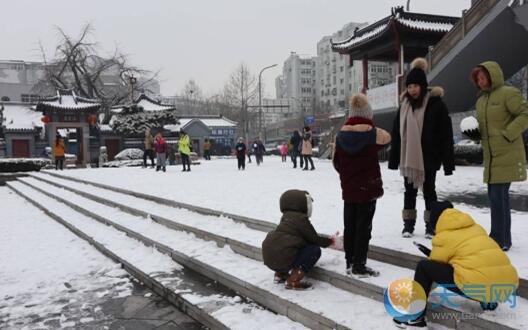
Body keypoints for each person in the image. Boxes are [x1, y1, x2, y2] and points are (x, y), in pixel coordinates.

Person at [393, 200, 519, 328]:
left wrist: (430, 254)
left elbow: (435, 265)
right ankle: (488, 300)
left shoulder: (444, 236)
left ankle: (416, 316)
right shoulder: (475, 227)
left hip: (477, 285)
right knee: (475, 266)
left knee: (423, 267)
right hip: (506, 285)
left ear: (436, 221)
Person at [389, 57, 455, 239]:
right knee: (409, 191)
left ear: (423, 86)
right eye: (409, 87)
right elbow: (396, 134)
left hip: (429, 157)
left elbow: (445, 135)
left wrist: (448, 162)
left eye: (415, 86)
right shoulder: (403, 107)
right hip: (408, 159)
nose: (412, 90)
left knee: (429, 192)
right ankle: (408, 225)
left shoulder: (436, 105)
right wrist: (394, 159)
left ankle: (431, 225)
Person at [471, 62, 528, 251]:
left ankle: (500, 239)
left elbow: (525, 114)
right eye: (477, 79)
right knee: (496, 198)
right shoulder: (481, 101)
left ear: (492, 75)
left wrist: (508, 133)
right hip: (491, 157)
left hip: (507, 154)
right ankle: (501, 237)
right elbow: (485, 127)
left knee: (498, 197)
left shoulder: (508, 93)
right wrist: (474, 133)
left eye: (482, 77)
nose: (480, 82)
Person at [333, 94, 391, 277]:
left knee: (349, 226)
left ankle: (350, 261)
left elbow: (336, 162)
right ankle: (360, 264)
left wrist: (348, 174)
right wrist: (370, 125)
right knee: (363, 227)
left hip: (349, 189)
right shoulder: (373, 134)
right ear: (368, 115)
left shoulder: (340, 136)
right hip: (368, 189)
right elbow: (388, 138)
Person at [261, 190, 338, 290]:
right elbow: (314, 239)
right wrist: (331, 241)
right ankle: (293, 281)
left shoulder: (286, 217)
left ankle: (279, 275)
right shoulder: (301, 219)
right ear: (302, 205)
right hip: (282, 260)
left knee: (285, 247)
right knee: (314, 250)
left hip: (270, 260)